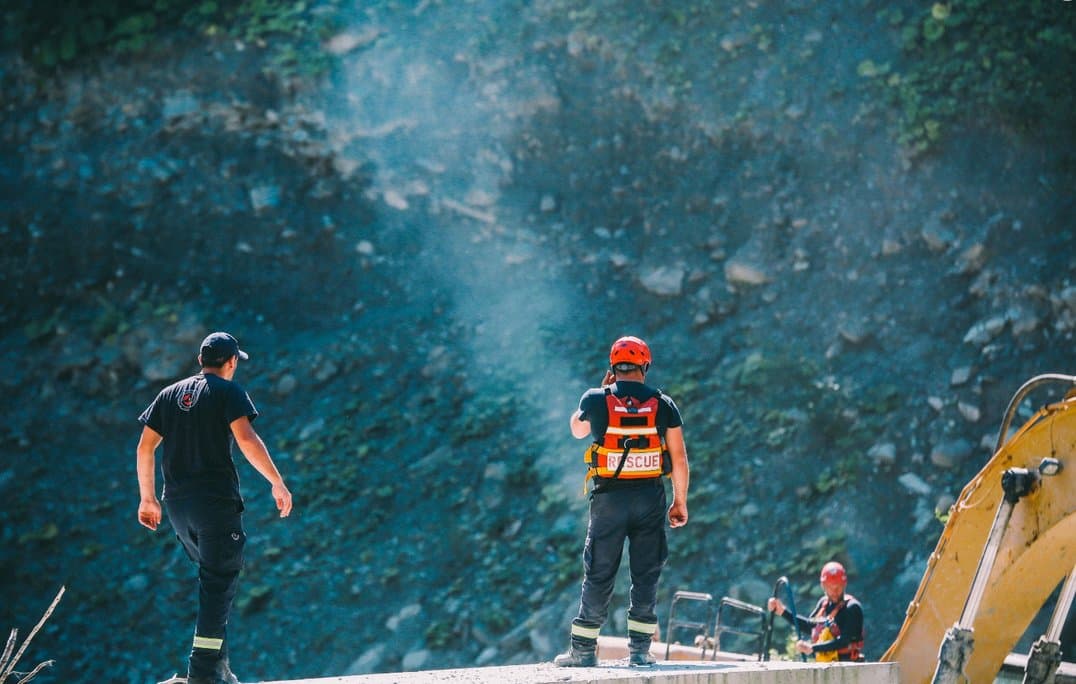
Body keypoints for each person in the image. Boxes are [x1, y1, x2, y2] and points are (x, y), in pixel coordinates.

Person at [136, 332, 293, 684]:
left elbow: (145, 448)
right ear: (232, 361)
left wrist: (147, 498)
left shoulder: (168, 394)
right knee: (218, 582)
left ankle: (217, 667)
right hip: (214, 504)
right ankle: (203, 674)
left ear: (201, 359)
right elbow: (247, 439)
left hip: (176, 506)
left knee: (212, 577)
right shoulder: (228, 392)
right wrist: (277, 482)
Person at [554, 335, 690, 667]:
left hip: (609, 501)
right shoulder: (663, 403)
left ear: (613, 367)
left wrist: (597, 394)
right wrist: (679, 502)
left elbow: (575, 429)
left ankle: (584, 651)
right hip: (649, 498)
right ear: (645, 366)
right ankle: (641, 652)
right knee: (646, 573)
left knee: (599, 571)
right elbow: (679, 458)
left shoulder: (596, 399)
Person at [767, 561, 865, 662]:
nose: (835, 591)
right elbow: (809, 626)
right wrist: (783, 612)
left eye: (838, 587)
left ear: (844, 585)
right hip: (825, 663)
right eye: (830, 587)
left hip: (848, 665)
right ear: (823, 586)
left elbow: (844, 641)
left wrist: (813, 648)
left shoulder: (852, 607)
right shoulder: (824, 603)